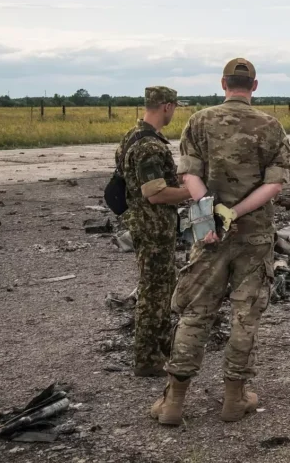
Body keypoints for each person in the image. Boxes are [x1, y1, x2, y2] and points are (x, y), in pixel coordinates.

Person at [152, 58, 290, 426]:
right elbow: (274, 184)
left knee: (195, 313)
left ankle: (173, 402)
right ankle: (234, 398)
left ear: (223, 83)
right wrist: (237, 212)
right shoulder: (271, 126)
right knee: (245, 316)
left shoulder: (199, 121)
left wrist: (209, 213)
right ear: (254, 86)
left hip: (208, 234)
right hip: (254, 235)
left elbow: (189, 176)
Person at [117, 86, 190, 377]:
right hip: (153, 228)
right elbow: (155, 193)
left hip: (146, 225)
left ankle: (159, 350)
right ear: (167, 107)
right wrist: (191, 192)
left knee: (160, 287)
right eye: (174, 107)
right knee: (154, 292)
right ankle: (148, 359)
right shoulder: (148, 145)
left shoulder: (132, 137)